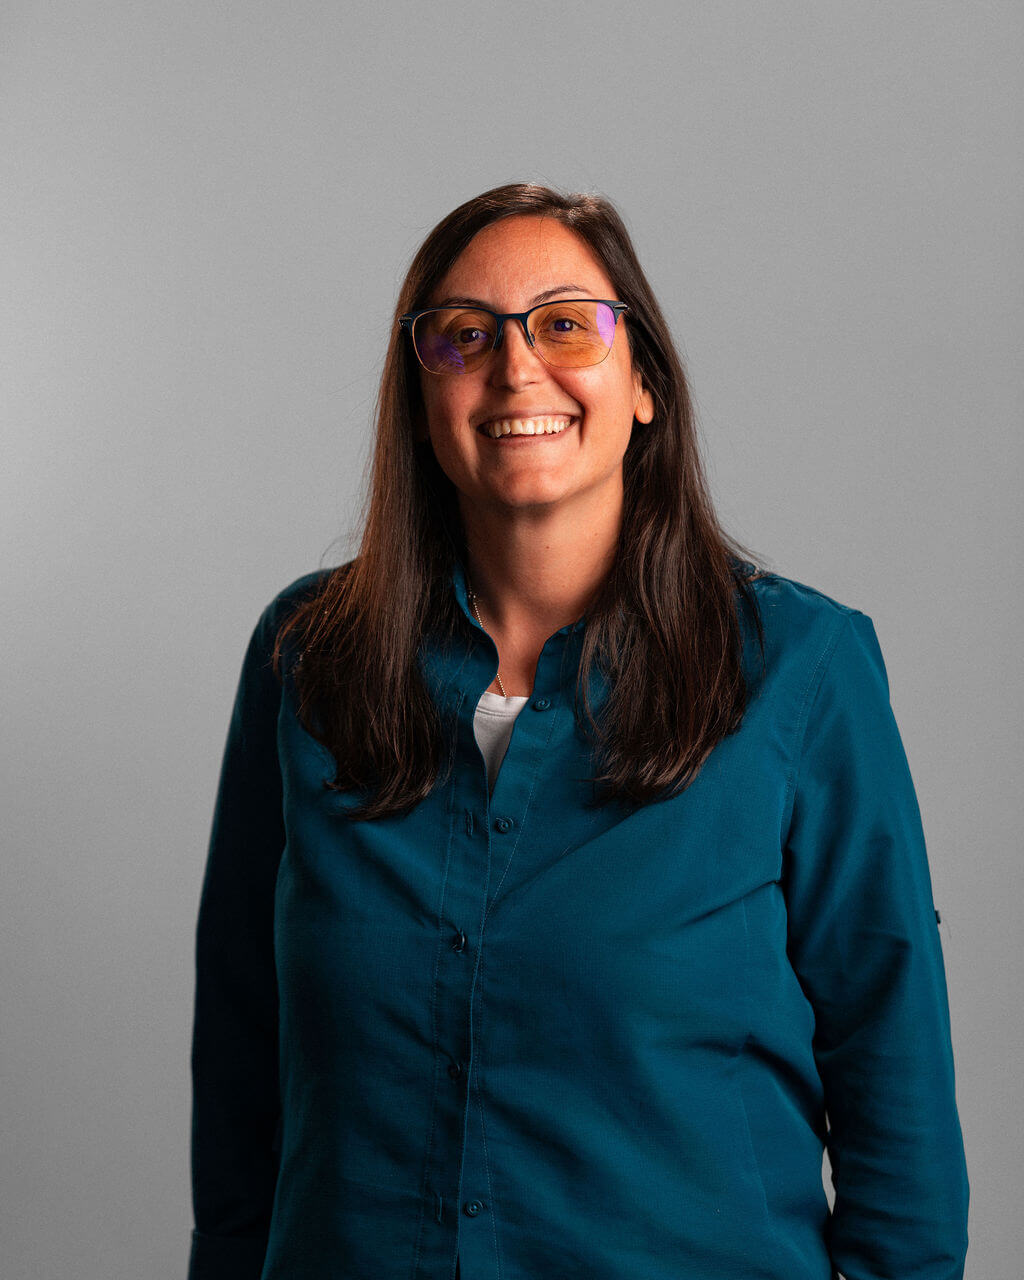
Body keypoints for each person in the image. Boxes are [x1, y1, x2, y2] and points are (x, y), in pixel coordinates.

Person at [187, 182, 969, 1280]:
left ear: (643, 381)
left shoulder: (801, 670)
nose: (514, 367)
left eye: (564, 324)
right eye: (463, 336)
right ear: (420, 400)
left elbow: (893, 1068)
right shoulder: (308, 655)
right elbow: (241, 1045)